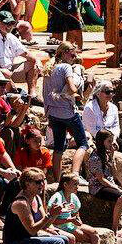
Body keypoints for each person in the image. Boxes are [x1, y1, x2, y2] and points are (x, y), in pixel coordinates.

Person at [5, 169, 70, 244]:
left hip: (29, 238)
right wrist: (50, 215)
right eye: (38, 182)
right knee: (58, 242)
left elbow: (45, 225)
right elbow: (31, 229)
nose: (42, 185)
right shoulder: (21, 203)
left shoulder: (37, 198)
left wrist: (56, 213)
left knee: (65, 239)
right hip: (16, 243)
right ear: (27, 183)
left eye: (43, 181)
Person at [44, 41, 91, 182]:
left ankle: (58, 181)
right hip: (67, 113)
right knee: (83, 144)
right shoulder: (66, 67)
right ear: (63, 53)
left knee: (59, 148)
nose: (74, 56)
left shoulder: (49, 68)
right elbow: (71, 87)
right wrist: (77, 92)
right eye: (72, 52)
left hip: (52, 113)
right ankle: (74, 175)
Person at [49, 173, 108, 244]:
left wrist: (77, 221)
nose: (77, 186)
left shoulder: (74, 197)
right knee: (88, 239)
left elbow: (76, 215)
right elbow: (53, 221)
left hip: (70, 224)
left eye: (78, 184)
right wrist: (71, 220)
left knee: (94, 234)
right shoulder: (57, 197)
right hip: (60, 226)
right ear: (65, 184)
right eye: (75, 184)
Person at [84, 129, 122, 244]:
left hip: (109, 184)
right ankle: (114, 229)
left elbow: (114, 174)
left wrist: (113, 158)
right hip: (98, 187)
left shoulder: (107, 154)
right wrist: (117, 189)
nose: (111, 144)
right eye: (109, 141)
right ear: (102, 142)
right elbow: (101, 179)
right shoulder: (95, 157)